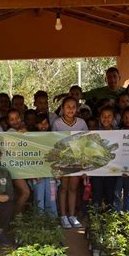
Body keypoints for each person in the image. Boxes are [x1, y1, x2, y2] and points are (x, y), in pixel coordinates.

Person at [52, 96, 88, 229]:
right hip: (63, 161)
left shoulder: (82, 123)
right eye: (68, 107)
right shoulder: (57, 123)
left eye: (73, 107)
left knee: (73, 188)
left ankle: (72, 215)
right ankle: (63, 215)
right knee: (63, 188)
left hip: (77, 160)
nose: (70, 109)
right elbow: (53, 143)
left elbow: (86, 143)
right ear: (62, 108)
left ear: (77, 108)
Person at [30, 113, 58, 216]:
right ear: (36, 125)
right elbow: (29, 156)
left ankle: (52, 221)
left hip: (51, 174)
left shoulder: (53, 137)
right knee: (39, 198)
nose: (43, 126)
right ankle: (39, 222)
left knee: (52, 197)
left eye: (45, 123)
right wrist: (33, 173)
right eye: (40, 123)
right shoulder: (31, 138)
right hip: (37, 174)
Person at [91, 105, 117, 210]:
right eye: (103, 116)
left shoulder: (119, 132)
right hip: (97, 169)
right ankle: (95, 218)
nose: (106, 119)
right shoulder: (94, 133)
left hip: (112, 169)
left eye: (109, 116)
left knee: (110, 192)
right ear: (99, 118)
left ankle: (109, 219)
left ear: (114, 118)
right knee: (97, 192)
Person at [6, 109, 30, 215]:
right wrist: (19, 135)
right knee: (25, 192)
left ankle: (20, 216)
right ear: (8, 122)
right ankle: (17, 218)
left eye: (17, 118)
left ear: (21, 118)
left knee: (20, 193)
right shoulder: (8, 133)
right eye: (11, 119)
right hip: (14, 168)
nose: (15, 121)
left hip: (24, 167)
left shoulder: (26, 130)